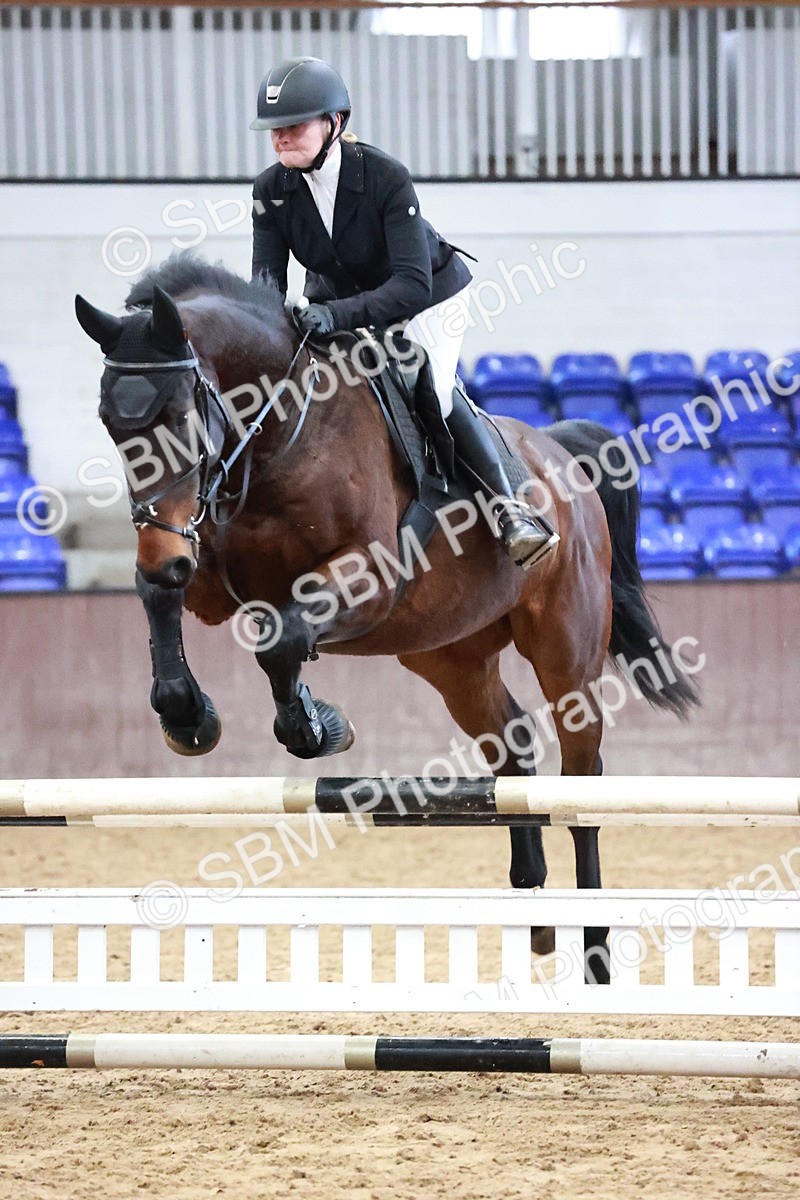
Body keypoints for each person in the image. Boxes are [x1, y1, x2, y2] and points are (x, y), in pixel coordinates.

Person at [250, 57, 558, 568]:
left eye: (294, 126)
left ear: (335, 123)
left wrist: (336, 315)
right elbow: (266, 286)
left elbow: (411, 285)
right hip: (339, 300)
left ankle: (509, 511)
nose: (281, 138)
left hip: (427, 297)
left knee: (431, 388)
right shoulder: (270, 191)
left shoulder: (385, 177)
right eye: (275, 130)